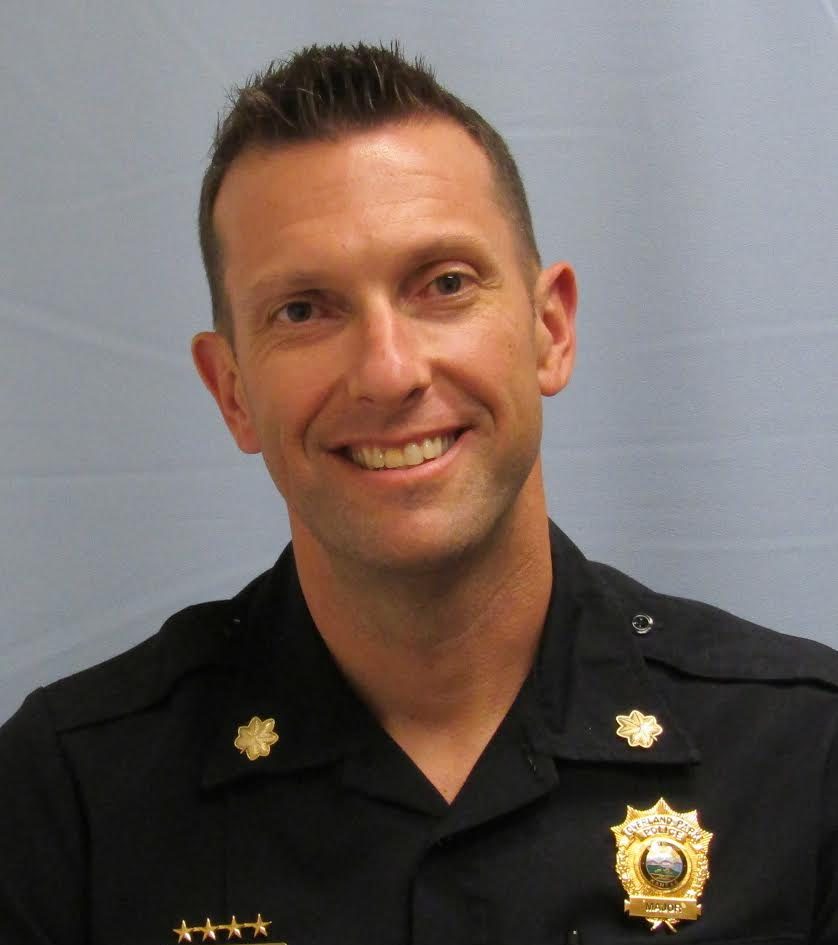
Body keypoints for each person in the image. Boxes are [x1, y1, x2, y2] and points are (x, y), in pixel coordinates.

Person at [1, 42, 837, 945]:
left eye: (444, 283)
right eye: (304, 310)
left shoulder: (805, 756)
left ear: (548, 328)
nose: (389, 372)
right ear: (232, 391)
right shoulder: (70, 798)